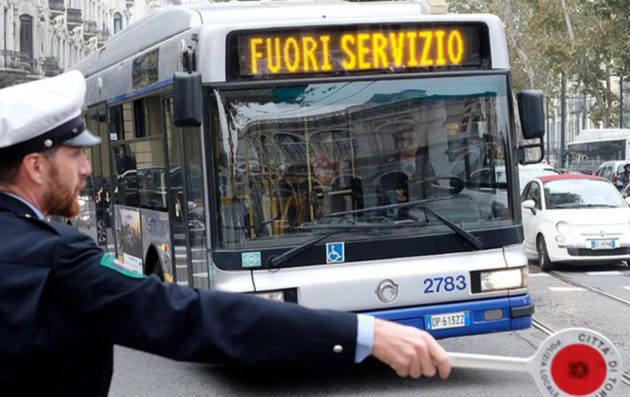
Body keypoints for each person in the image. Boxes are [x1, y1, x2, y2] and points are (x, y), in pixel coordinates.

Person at [0, 72, 451, 396]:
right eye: (75, 154)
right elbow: (189, 317)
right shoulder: (59, 258)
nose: (86, 168)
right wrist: (365, 334)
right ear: (35, 166)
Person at [378, 128, 435, 219]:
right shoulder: (388, 168)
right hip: (396, 220)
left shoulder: (426, 166)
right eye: (409, 141)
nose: (414, 144)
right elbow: (383, 200)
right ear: (400, 144)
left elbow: (433, 193)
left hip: (423, 218)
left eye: (416, 140)